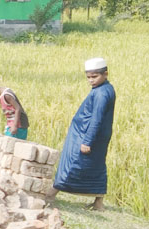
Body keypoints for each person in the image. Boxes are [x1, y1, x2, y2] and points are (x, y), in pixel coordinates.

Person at [47, 58, 115, 211]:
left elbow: (96, 119)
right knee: (96, 165)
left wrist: (87, 141)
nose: (91, 80)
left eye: (94, 77)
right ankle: (98, 202)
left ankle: (52, 192)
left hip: (87, 135)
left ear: (105, 74)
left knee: (72, 162)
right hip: (93, 134)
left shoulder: (102, 93)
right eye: (88, 77)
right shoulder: (104, 88)